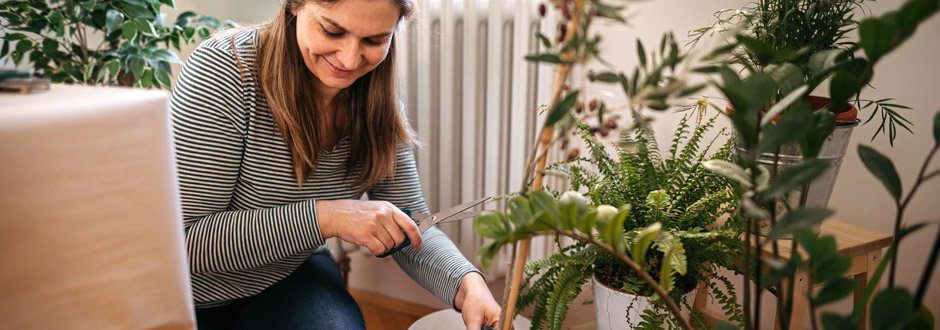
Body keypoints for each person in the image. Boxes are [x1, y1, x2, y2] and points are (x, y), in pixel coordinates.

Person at [169, 0, 503, 329]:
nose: (349, 59)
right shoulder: (224, 69)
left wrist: (468, 284)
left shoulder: (379, 107)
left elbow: (414, 224)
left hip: (287, 274)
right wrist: (327, 217)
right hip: (189, 295)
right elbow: (184, 245)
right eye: (332, 31)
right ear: (295, 6)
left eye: (374, 40)